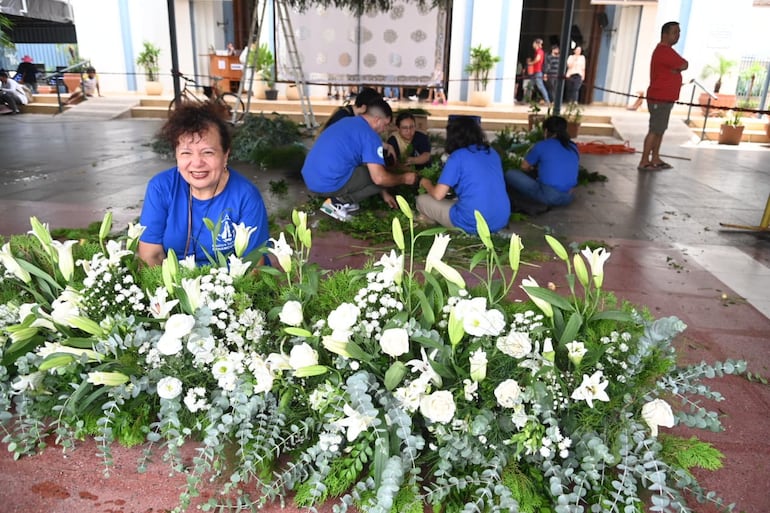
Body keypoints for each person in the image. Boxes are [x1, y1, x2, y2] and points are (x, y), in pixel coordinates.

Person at [138, 102, 270, 267]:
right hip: (173, 285)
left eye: (208, 152)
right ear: (177, 155)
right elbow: (151, 256)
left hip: (234, 286)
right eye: (186, 153)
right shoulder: (161, 188)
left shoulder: (245, 196)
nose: (197, 163)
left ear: (225, 155)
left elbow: (253, 267)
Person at [301, 97, 417, 221]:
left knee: (374, 172)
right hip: (327, 184)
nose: (385, 130)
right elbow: (379, 178)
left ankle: (342, 200)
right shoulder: (371, 136)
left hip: (310, 179)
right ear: (377, 120)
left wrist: (384, 193)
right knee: (385, 175)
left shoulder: (347, 121)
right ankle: (338, 202)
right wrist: (404, 178)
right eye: (385, 125)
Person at [416, 116, 510, 235]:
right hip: (500, 220)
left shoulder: (457, 156)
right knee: (461, 201)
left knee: (422, 200)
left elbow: (438, 195)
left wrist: (426, 183)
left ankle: (433, 222)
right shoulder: (492, 152)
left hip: (471, 223)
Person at [637, 21, 688, 171]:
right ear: (665, 34)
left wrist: (676, 71)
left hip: (666, 98)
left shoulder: (668, 51)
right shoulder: (664, 51)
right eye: (674, 32)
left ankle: (656, 158)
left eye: (679, 32)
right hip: (659, 97)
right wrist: (677, 70)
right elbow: (684, 64)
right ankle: (644, 160)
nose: (677, 35)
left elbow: (682, 65)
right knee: (654, 129)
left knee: (660, 129)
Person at [504, 116, 579, 212]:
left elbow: (524, 167)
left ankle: (531, 202)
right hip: (568, 197)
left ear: (546, 131)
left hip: (549, 196)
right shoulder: (573, 146)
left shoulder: (542, 145)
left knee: (509, 173)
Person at [526, 38, 550, 104]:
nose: (533, 45)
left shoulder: (539, 51)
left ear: (536, 44)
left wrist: (531, 63)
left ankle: (547, 100)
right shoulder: (538, 51)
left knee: (540, 86)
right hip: (535, 72)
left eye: (534, 43)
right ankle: (526, 99)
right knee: (530, 85)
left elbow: (537, 59)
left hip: (537, 72)